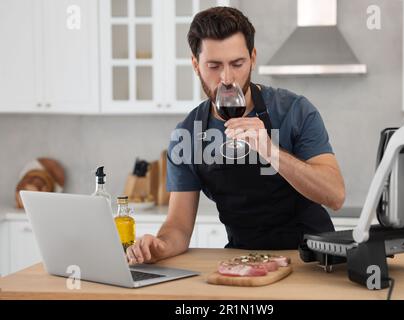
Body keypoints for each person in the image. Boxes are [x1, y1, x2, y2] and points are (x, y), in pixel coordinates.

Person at [126, 6, 345, 265]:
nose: (227, 78)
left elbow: (335, 196)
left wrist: (270, 151)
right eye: (214, 66)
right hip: (245, 261)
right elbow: (178, 227)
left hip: (313, 261)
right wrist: (159, 246)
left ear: (252, 58)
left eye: (237, 64)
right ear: (196, 65)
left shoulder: (295, 111)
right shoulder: (187, 134)